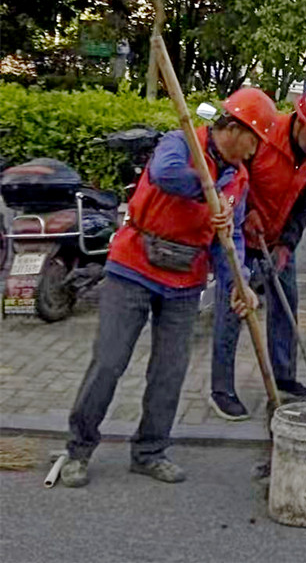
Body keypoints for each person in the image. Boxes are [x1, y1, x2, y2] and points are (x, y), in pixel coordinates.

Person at [61, 89, 277, 488]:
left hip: (184, 280)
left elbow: (229, 244)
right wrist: (210, 194)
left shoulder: (240, 180)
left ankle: (149, 451)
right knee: (109, 362)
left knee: (170, 371)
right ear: (235, 128)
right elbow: (166, 174)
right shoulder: (181, 141)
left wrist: (239, 285)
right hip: (133, 266)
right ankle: (78, 448)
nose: (254, 153)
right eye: (254, 141)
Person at [209, 85, 306, 420]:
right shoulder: (265, 136)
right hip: (243, 236)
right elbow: (236, 174)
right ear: (299, 121)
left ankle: (284, 377)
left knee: (287, 305)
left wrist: (288, 243)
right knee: (234, 307)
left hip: (278, 238)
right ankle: (222, 389)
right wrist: (247, 208)